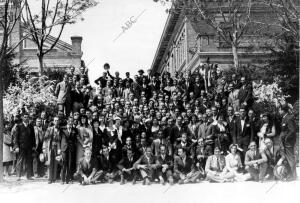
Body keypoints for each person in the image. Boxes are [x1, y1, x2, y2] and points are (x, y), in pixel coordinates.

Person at [14, 113, 36, 181]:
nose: (26, 118)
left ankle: (28, 176)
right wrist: (16, 146)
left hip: (29, 147)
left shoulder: (31, 126)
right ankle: (18, 176)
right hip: (21, 147)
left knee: (29, 161)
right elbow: (16, 138)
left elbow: (33, 137)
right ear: (22, 118)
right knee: (20, 161)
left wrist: (34, 145)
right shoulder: (19, 126)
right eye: (25, 117)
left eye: (27, 117)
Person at [279, 104, 297, 180]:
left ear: (283, 110)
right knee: (287, 158)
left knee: (290, 158)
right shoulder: (284, 118)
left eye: (280, 110)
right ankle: (289, 174)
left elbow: (292, 130)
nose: (279, 111)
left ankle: (293, 176)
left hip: (289, 142)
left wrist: (286, 138)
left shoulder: (289, 118)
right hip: (285, 141)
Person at [43, 116, 63, 184]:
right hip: (50, 146)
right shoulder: (49, 129)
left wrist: (59, 148)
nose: (56, 122)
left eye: (57, 120)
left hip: (57, 147)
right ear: (53, 121)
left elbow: (60, 139)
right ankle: (49, 178)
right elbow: (45, 137)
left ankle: (54, 178)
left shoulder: (60, 129)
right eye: (55, 120)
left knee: (56, 162)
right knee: (50, 162)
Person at [61, 117, 78, 184]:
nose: (70, 122)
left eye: (72, 121)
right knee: (64, 164)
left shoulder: (74, 130)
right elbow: (59, 139)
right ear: (67, 121)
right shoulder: (62, 129)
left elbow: (76, 139)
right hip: (64, 148)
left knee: (70, 164)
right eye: (69, 121)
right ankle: (62, 180)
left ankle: (68, 179)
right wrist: (59, 149)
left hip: (71, 149)